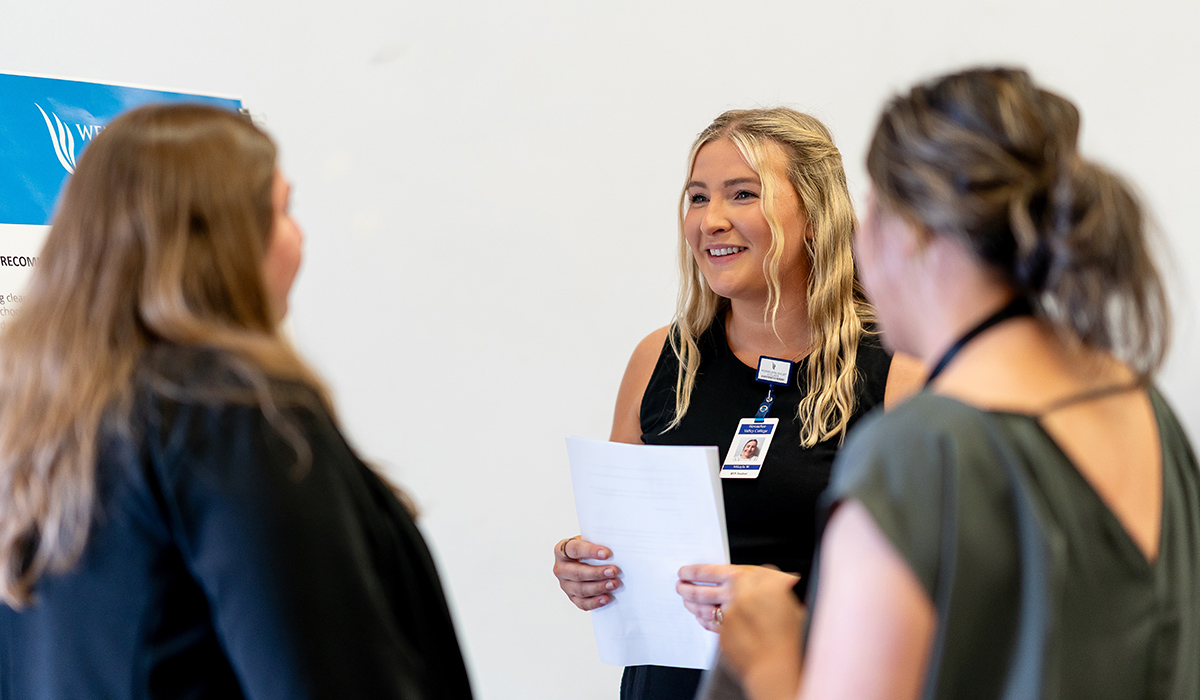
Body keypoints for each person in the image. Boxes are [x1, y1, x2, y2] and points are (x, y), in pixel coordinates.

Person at [713, 67, 1200, 700]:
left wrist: (769, 653)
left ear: (917, 233)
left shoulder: (919, 452)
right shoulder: (1143, 406)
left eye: (876, 211)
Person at [0, 104, 473, 700]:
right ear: (219, 240)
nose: (298, 236)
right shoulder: (232, 411)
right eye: (282, 211)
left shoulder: (37, 418)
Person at [552, 108, 922, 700]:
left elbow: (929, 582)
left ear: (813, 213)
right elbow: (624, 538)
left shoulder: (897, 370)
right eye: (697, 199)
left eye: (741, 195)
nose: (711, 221)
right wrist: (588, 567)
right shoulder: (660, 360)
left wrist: (788, 599)